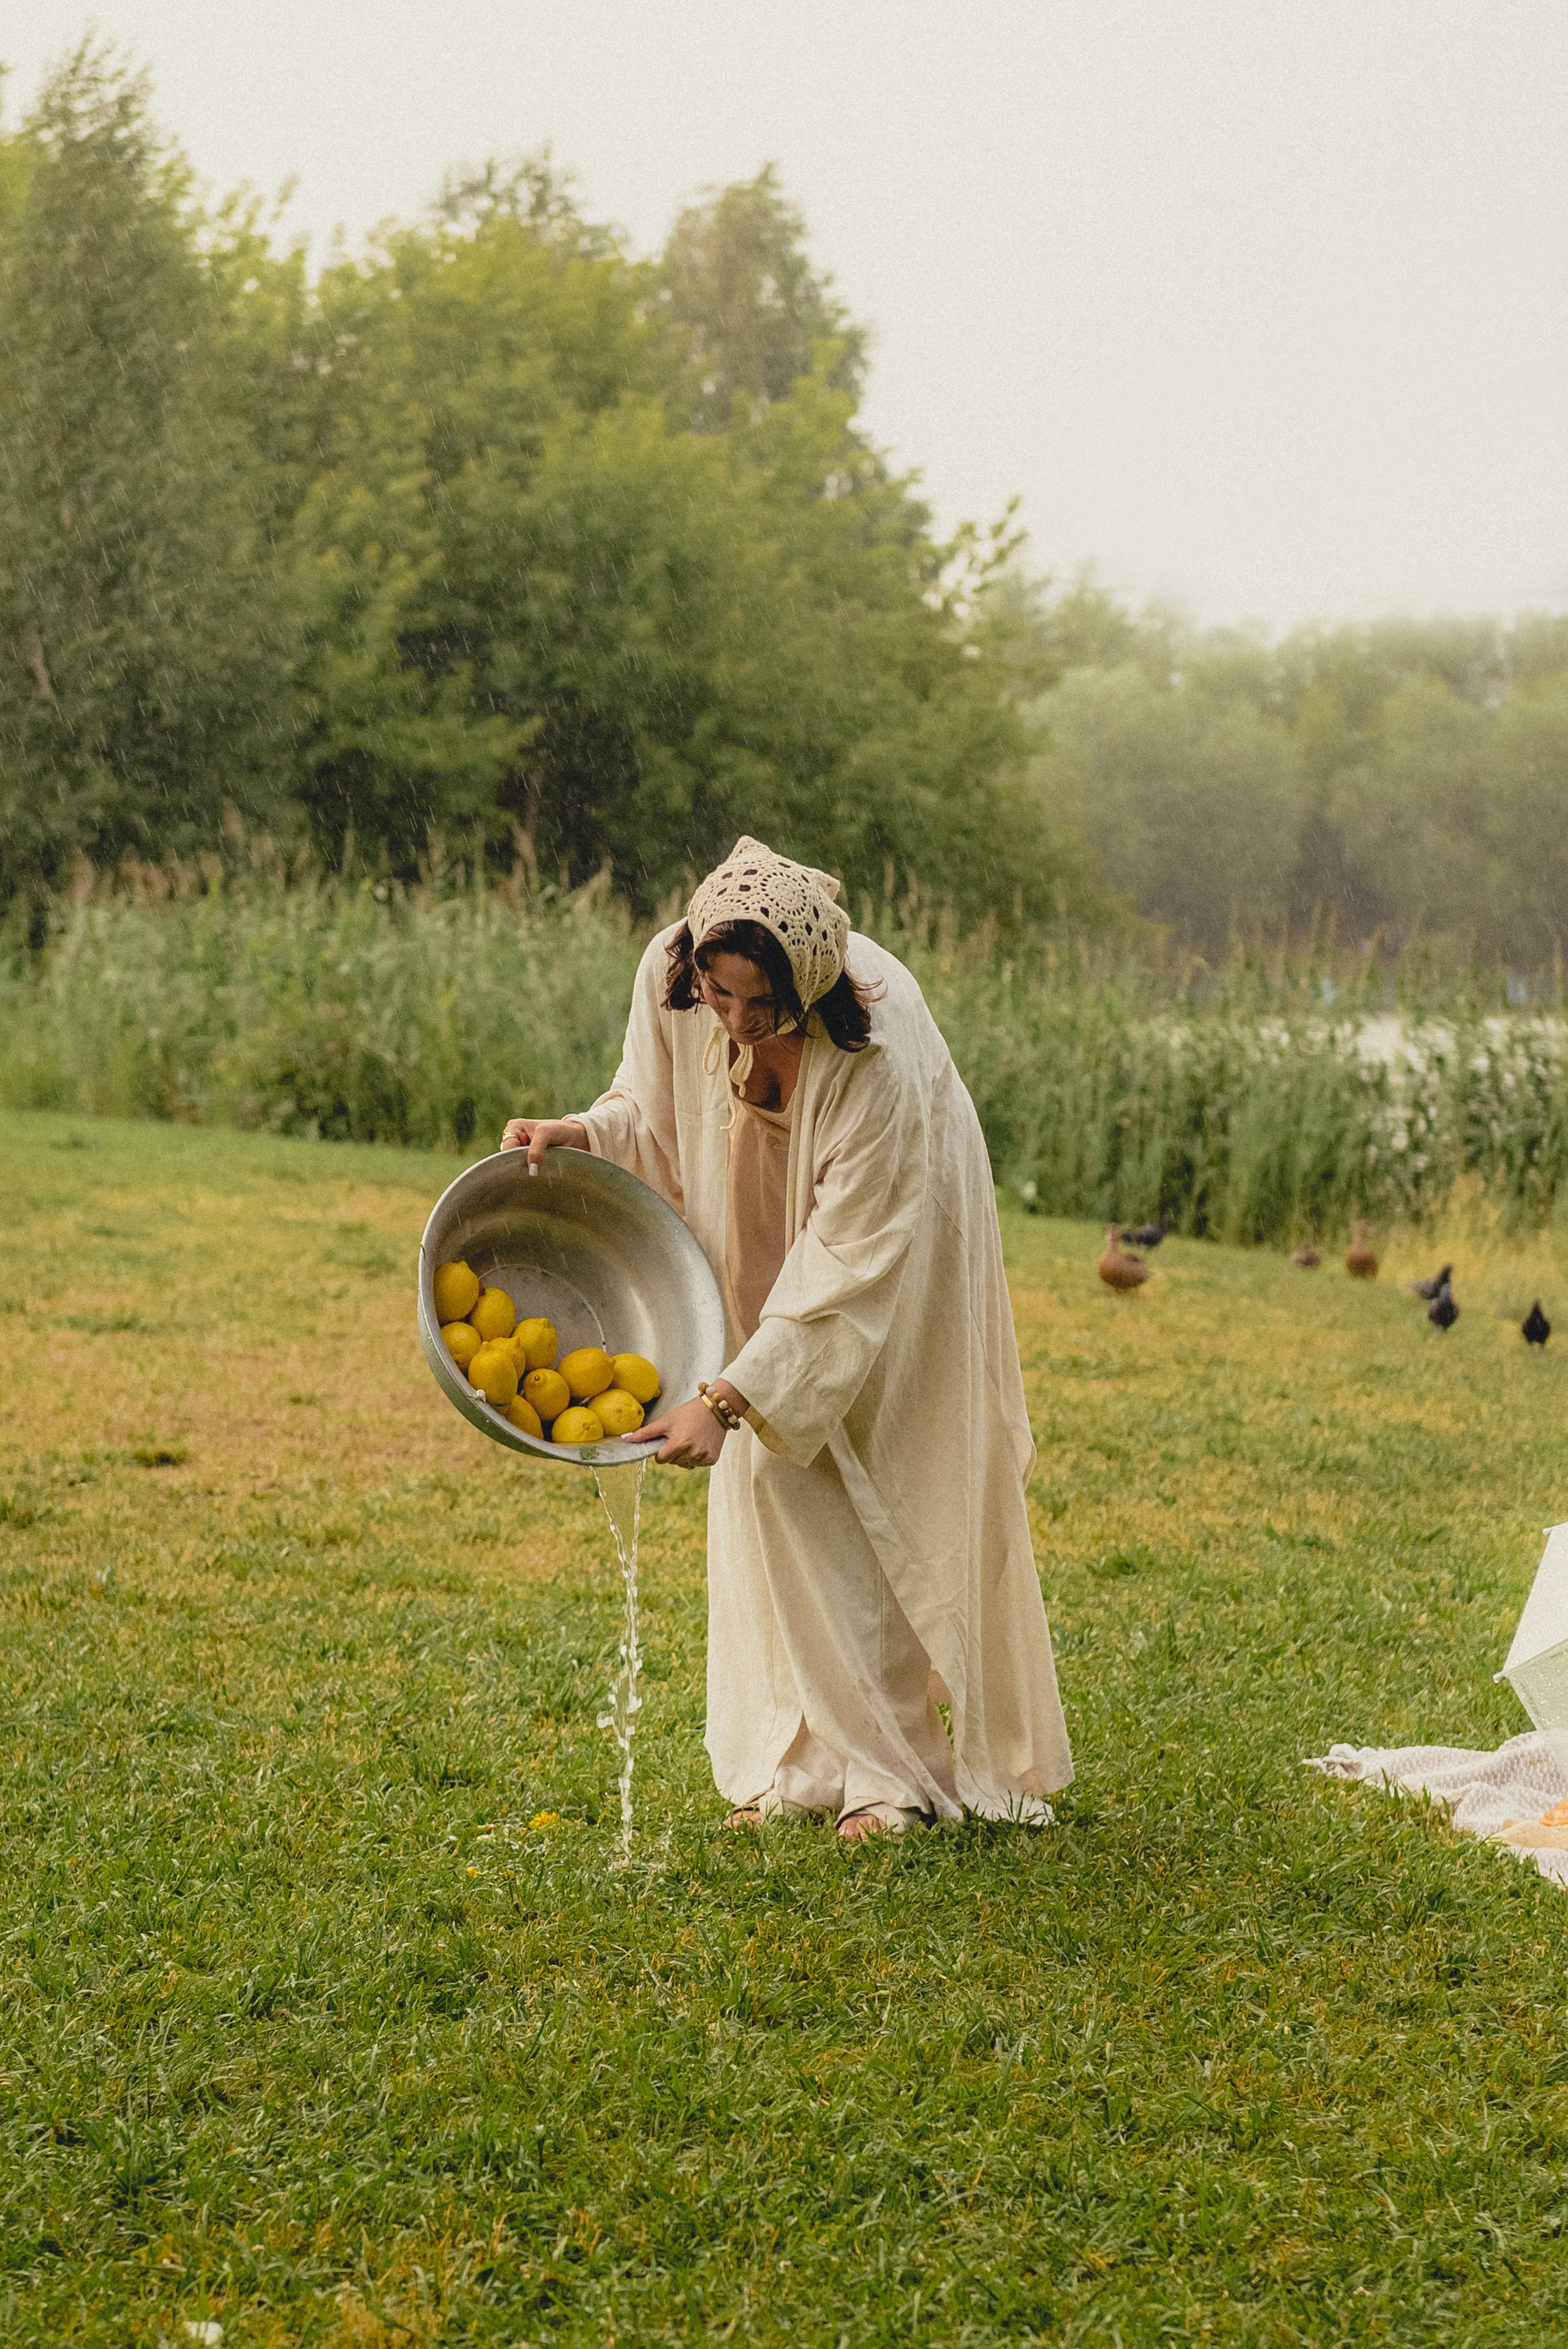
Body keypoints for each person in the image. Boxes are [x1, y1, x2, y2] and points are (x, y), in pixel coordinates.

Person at [502, 836, 1072, 1839]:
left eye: (757, 1009)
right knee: (766, 1491)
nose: (730, 1021)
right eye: (716, 997)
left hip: (897, 1239)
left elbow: (846, 1267)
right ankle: (797, 1768)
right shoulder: (672, 970)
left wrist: (731, 1399)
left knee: (859, 1478)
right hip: (751, 1211)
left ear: (808, 995)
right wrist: (583, 1133)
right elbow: (648, 1101)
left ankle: (892, 1777)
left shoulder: (876, 1061)